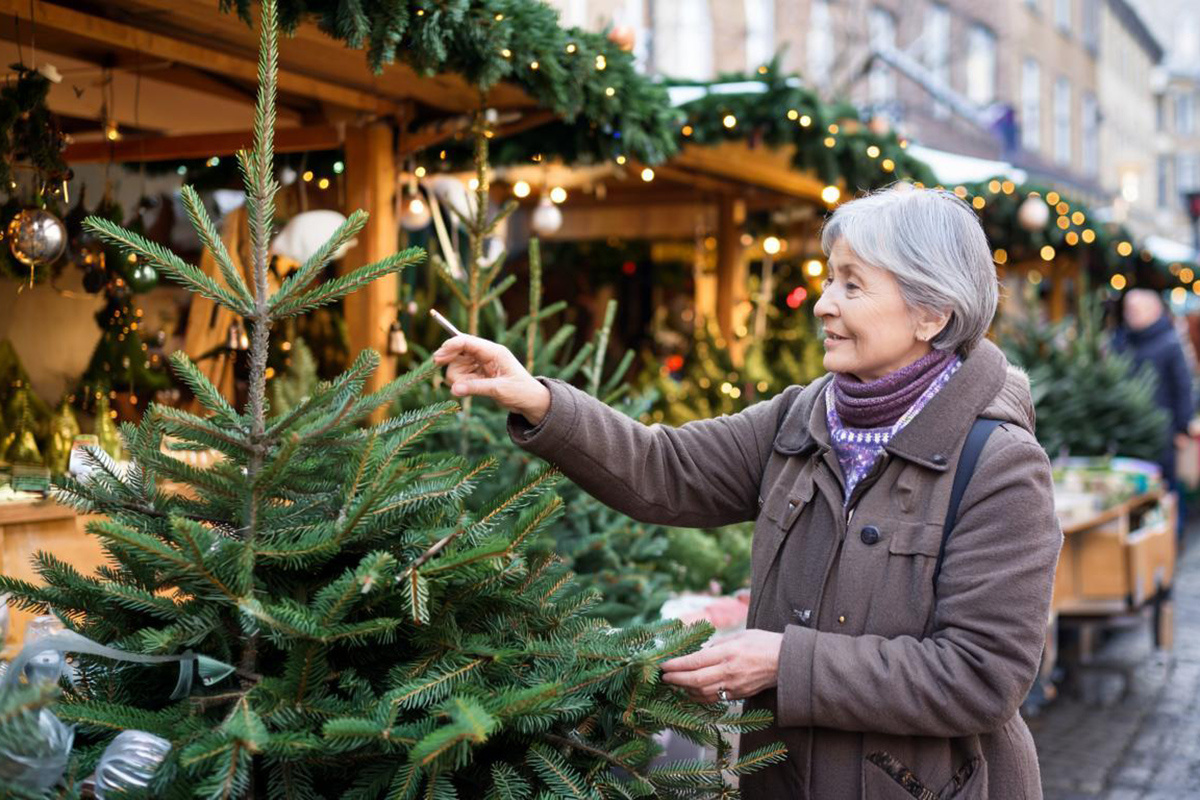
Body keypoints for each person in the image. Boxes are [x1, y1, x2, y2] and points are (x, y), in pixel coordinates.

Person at [434, 187, 1061, 798]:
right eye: (827, 279)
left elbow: (982, 676)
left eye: (852, 284)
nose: (822, 304)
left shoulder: (999, 466)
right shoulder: (801, 418)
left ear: (932, 314)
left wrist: (785, 664)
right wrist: (540, 400)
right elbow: (663, 467)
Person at [1114, 288, 1194, 539]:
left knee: (1166, 487)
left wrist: (1181, 428)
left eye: (1137, 309)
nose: (1131, 314)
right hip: (1128, 431)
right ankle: (1142, 544)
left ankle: (1169, 540)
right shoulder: (1121, 341)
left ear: (1154, 310)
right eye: (1128, 309)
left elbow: (1183, 388)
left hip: (1162, 430)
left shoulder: (1169, 343)